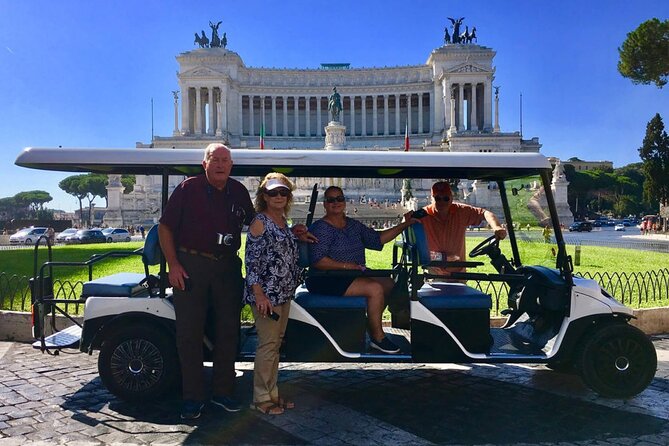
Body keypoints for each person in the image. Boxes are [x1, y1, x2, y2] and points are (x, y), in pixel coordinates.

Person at [158, 143, 255, 420]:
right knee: (189, 333)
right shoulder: (188, 189)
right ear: (205, 164)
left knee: (228, 330)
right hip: (191, 265)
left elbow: (256, 222)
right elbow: (165, 227)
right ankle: (193, 397)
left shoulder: (238, 191)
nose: (221, 164)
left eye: (225, 160)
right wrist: (174, 265)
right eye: (215, 160)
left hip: (226, 266)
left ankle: (223, 392)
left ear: (231, 164)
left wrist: (288, 227)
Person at [306, 186, 418, 354]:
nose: (336, 203)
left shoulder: (353, 225)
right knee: (374, 288)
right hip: (326, 278)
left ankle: (370, 323)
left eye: (339, 198)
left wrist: (404, 224)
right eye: (331, 200)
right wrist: (346, 266)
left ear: (345, 201)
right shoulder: (320, 228)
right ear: (325, 204)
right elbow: (318, 261)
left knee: (388, 283)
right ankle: (377, 337)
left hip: (351, 274)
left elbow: (378, 240)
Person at [243, 173, 314, 415]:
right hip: (266, 296)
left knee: (275, 344)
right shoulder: (260, 221)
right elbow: (251, 262)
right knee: (268, 345)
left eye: (283, 192)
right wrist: (259, 294)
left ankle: (272, 393)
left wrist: (298, 234)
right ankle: (261, 398)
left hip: (283, 293)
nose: (279, 196)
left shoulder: (283, 221)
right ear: (264, 196)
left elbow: (279, 246)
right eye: (273, 192)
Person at [412, 181, 507, 277]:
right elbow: (406, 225)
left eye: (445, 198)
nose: (442, 202)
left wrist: (496, 227)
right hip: (435, 273)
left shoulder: (461, 211)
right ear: (431, 199)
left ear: (451, 198)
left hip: (459, 272)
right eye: (437, 198)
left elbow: (484, 213)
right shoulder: (423, 215)